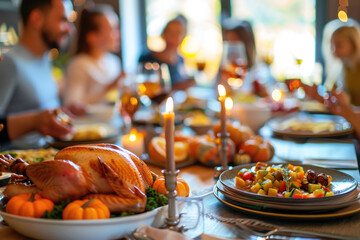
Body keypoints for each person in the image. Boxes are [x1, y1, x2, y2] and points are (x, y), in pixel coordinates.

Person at [0, 0, 74, 147]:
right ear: (37, 19)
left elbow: (45, 111)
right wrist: (34, 122)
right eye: (63, 20)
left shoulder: (45, 59)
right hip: (20, 163)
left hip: (50, 153)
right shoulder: (9, 64)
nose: (70, 30)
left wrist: (68, 111)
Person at [63, 5, 124, 114]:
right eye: (112, 30)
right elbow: (73, 106)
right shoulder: (78, 64)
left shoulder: (114, 62)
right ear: (92, 37)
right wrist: (108, 88)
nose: (118, 35)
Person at [138, 15, 195, 91]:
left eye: (178, 33)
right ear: (163, 34)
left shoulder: (180, 60)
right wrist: (180, 86)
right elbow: (148, 90)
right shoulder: (147, 58)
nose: (173, 37)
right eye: (169, 32)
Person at [220, 19, 273, 97]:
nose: (231, 49)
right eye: (228, 42)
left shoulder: (260, 72)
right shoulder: (225, 68)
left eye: (234, 42)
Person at [321, 19, 360, 106]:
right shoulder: (341, 67)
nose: (334, 50)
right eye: (332, 45)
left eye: (339, 44)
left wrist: (347, 103)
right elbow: (329, 92)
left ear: (353, 44)